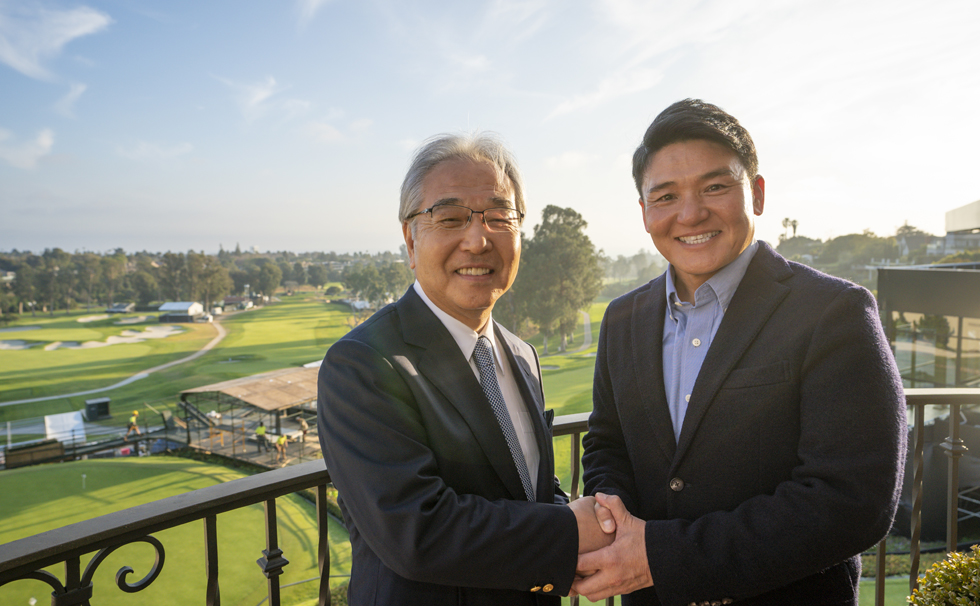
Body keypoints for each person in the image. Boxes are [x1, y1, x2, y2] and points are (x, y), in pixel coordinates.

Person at [573, 99, 907, 606]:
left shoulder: (833, 312)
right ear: (643, 212)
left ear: (757, 193)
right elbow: (606, 443)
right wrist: (611, 515)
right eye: (665, 195)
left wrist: (661, 556)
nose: (690, 213)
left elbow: (852, 501)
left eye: (714, 187)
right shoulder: (621, 319)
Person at [317, 132, 614, 605]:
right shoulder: (362, 364)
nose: (477, 240)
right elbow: (417, 531)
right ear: (410, 239)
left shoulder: (520, 354)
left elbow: (526, 484)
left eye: (500, 217)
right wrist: (568, 530)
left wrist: (583, 524)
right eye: (450, 218)